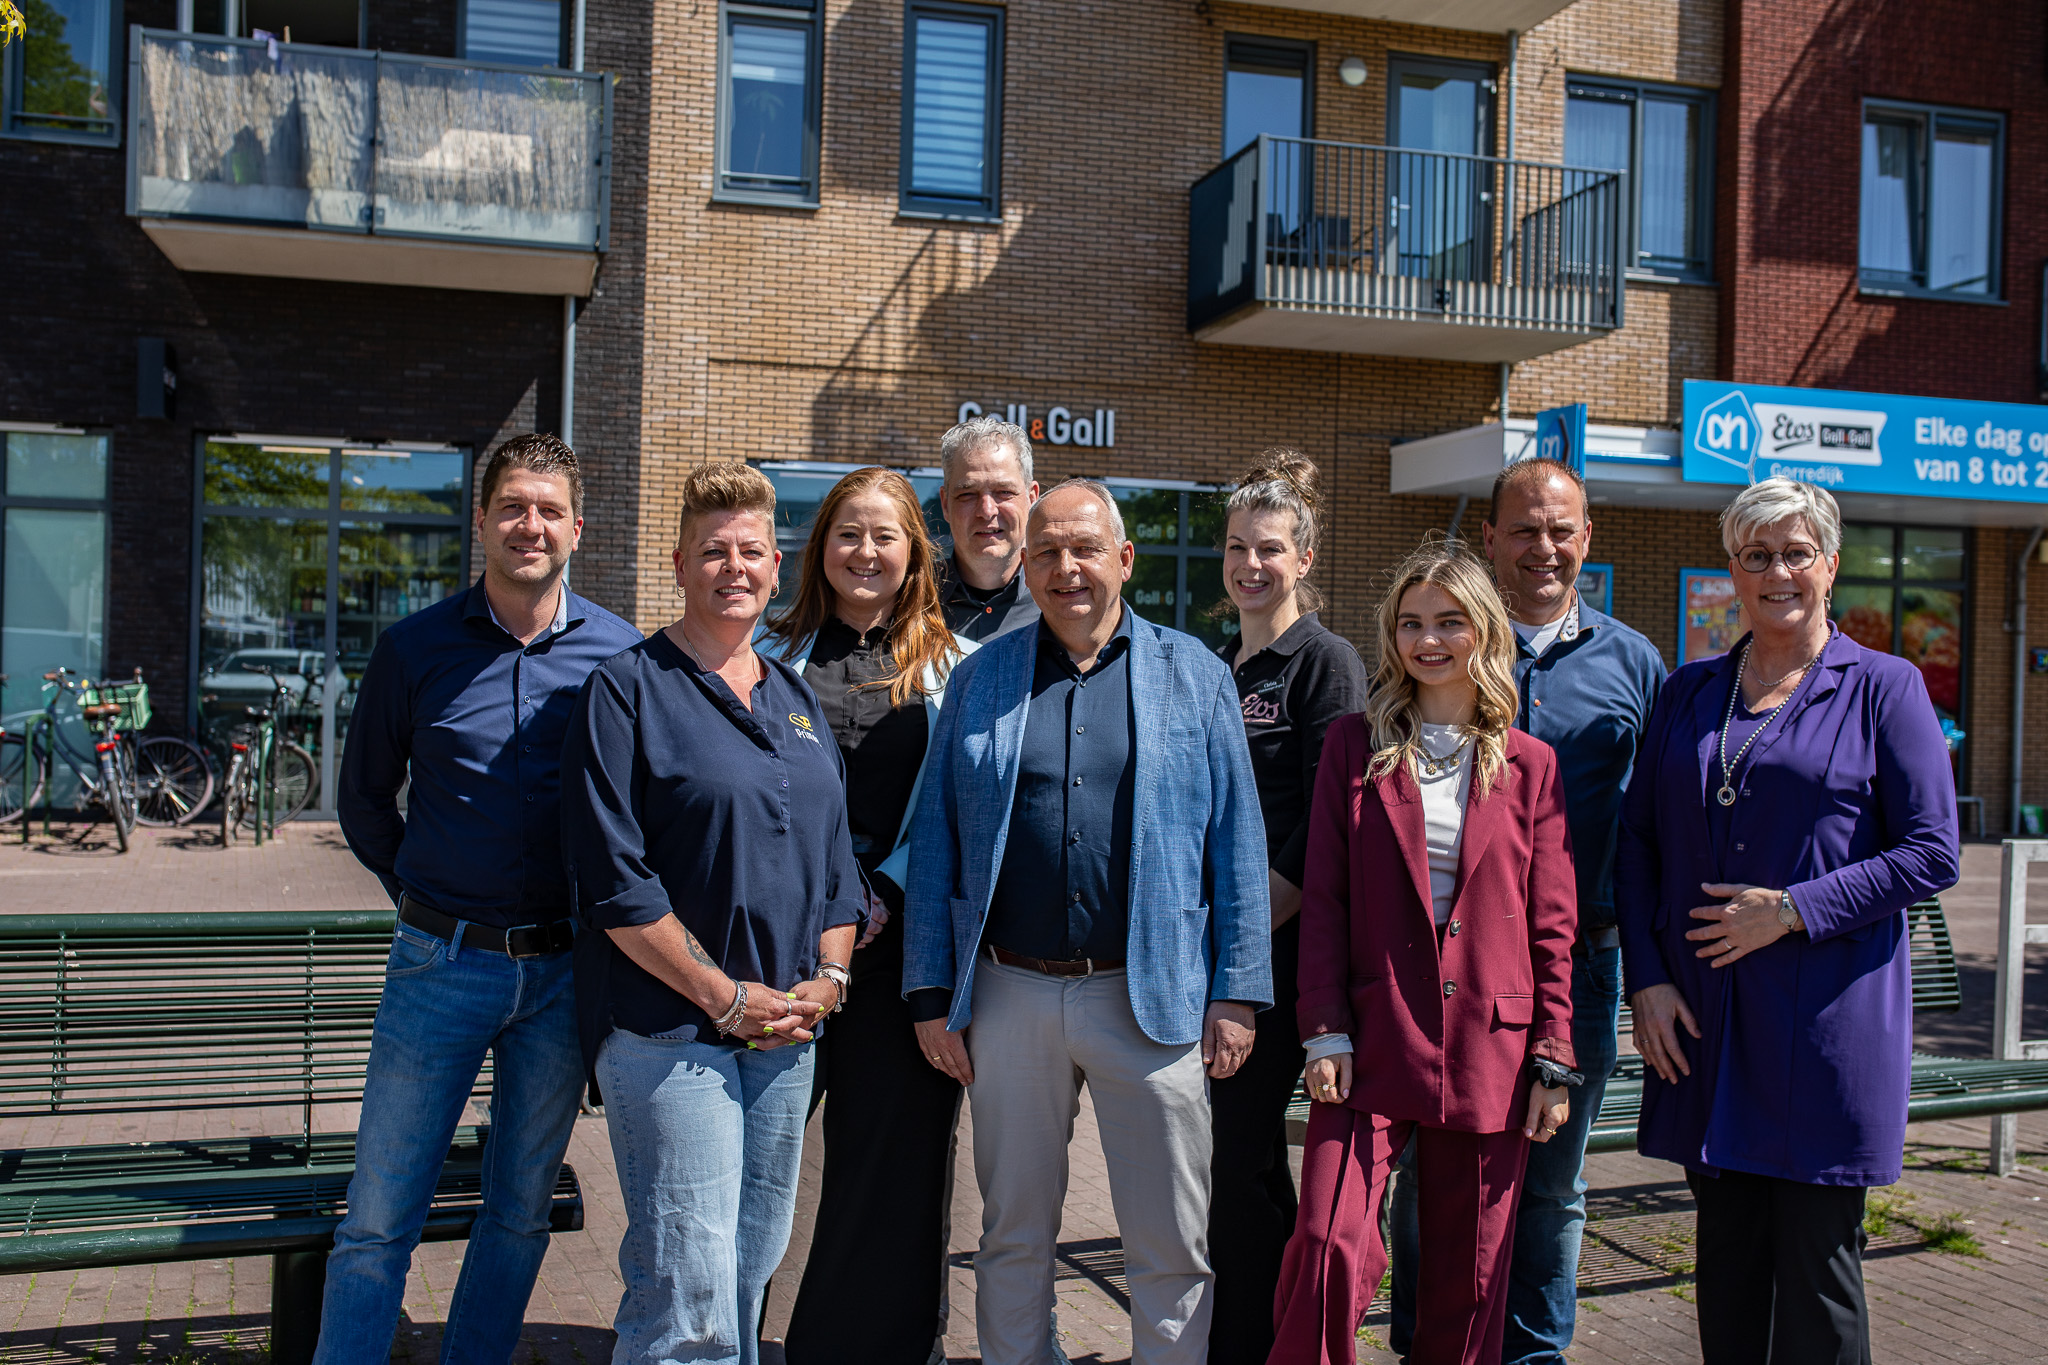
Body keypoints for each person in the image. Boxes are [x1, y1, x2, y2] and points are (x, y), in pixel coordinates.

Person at [903, 478, 1272, 1364]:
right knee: (1012, 1234)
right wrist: (928, 990)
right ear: (1025, 565)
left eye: (1085, 548)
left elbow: (1238, 844)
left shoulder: (1196, 674)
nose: (1066, 568)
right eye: (1047, 552)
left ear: (1124, 559)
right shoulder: (980, 680)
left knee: (1170, 1245)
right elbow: (937, 843)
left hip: (1154, 996)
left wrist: (1239, 991)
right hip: (1008, 993)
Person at [1616, 478, 1959, 1365]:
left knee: (1816, 1274)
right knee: (1727, 1267)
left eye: (1796, 552)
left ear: (1830, 565)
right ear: (1732, 569)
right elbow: (1639, 842)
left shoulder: (1886, 687)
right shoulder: (1690, 692)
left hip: (1822, 1029)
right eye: (1756, 554)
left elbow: (1933, 850)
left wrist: (1795, 911)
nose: (1778, 571)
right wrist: (1646, 981)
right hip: (1704, 1026)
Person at [324, 433, 642, 1365]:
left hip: (557, 977)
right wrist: (428, 896)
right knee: (379, 1218)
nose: (529, 525)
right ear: (480, 521)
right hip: (440, 965)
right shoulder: (413, 649)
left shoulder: (620, 657)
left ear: (577, 528)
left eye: (548, 509)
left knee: (518, 1212)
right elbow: (363, 803)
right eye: (512, 506)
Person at [560, 463, 865, 1365]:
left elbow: (838, 863)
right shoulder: (625, 691)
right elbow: (616, 882)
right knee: (685, 1290)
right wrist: (721, 995)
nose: (733, 567)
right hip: (669, 1033)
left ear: (777, 566)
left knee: (746, 1266)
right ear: (679, 563)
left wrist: (832, 977)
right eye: (711, 551)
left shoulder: (795, 697)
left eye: (750, 551)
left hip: (783, 1038)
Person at [1271, 542, 1578, 1365]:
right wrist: (1323, 1027)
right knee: (1329, 1240)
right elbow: (1327, 900)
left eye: (1448, 621)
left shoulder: (1532, 765)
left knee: (1468, 1277)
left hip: (1491, 1044)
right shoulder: (1352, 746)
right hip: (1372, 1036)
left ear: (1483, 628)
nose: (1428, 640)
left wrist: (1553, 1055)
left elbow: (1552, 924)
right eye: (1411, 623)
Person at [1387, 456, 1664, 1364]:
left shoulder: (1634, 663)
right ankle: (1429, 1346)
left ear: (1587, 538)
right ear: (1490, 539)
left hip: (1574, 963)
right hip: (1443, 965)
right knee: (1433, 1176)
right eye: (1524, 529)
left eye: (1561, 530)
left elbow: (1659, 823)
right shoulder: (1446, 643)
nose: (1543, 548)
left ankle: (1533, 1353)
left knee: (1549, 1180)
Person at [770, 467, 974, 1365]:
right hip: (779, 950)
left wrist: (878, 891)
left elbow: (958, 807)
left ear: (913, 553)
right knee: (755, 1166)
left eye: (885, 535)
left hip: (897, 952)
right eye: (848, 533)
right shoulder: (767, 658)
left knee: (887, 1174)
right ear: (821, 548)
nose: (865, 551)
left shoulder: (955, 672)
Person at [1206, 449, 1369, 1365]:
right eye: (1237, 547)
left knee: (1241, 1168)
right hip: (1217, 954)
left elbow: (1325, 826)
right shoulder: (1217, 662)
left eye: (1269, 547)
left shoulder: (1325, 664)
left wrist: (1232, 943)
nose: (1249, 565)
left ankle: (1264, 1345)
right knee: (1231, 1164)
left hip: (1273, 961)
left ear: (1304, 557)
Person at [936, 414, 1042, 642]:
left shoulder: (1060, 601)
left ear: (1031, 498)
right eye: (967, 494)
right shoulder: (906, 599)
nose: (986, 510)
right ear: (945, 504)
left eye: (1004, 491)